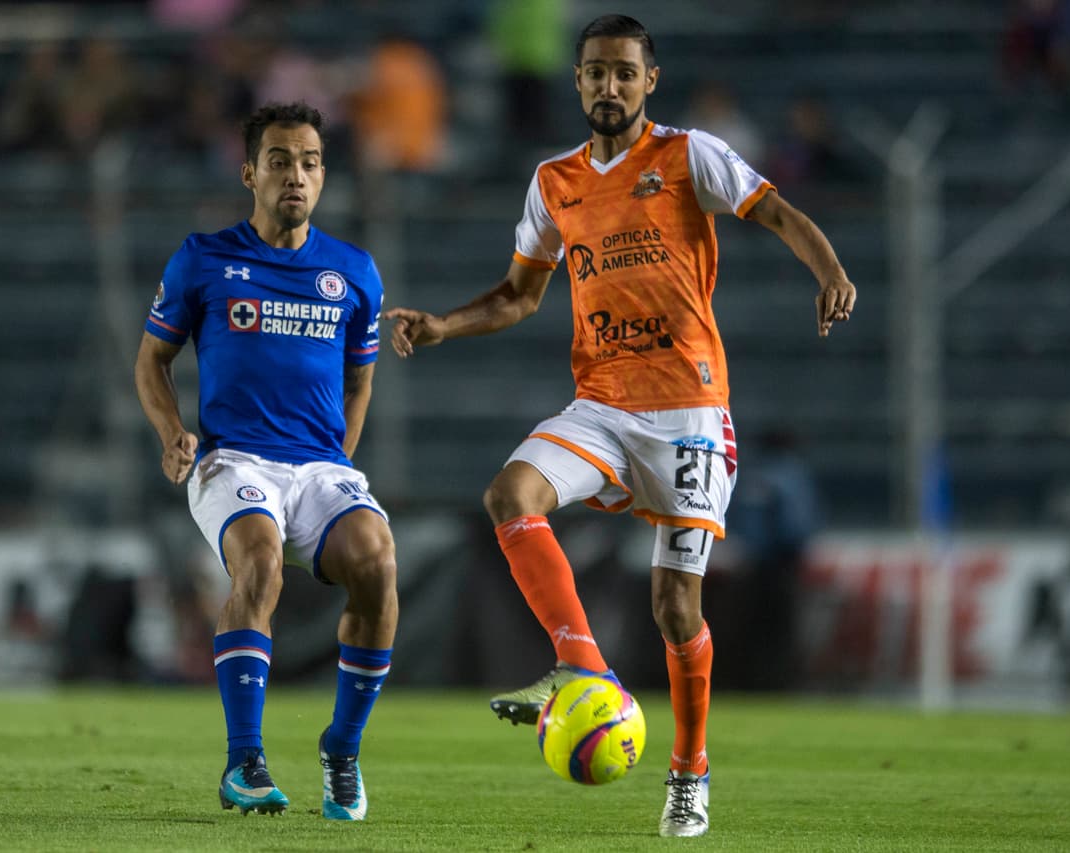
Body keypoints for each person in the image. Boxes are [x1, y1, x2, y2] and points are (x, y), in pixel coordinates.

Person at [385, 15, 856, 838]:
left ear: (650, 81)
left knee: (675, 609)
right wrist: (443, 326)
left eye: (624, 73)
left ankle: (689, 772)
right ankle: (582, 664)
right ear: (577, 81)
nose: (610, 85)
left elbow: (777, 212)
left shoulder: (689, 156)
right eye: (596, 72)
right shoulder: (553, 181)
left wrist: (832, 271)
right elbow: (519, 295)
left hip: (689, 411)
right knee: (510, 495)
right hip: (602, 404)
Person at [134, 102, 397, 822]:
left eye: (309, 162)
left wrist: (339, 465)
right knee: (259, 560)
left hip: (318, 467)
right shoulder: (203, 258)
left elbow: (360, 379)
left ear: (324, 175)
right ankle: (243, 761)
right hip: (233, 461)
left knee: (377, 561)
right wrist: (171, 432)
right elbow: (152, 360)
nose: (295, 176)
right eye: (279, 161)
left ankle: (342, 749)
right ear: (250, 173)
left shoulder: (354, 272)